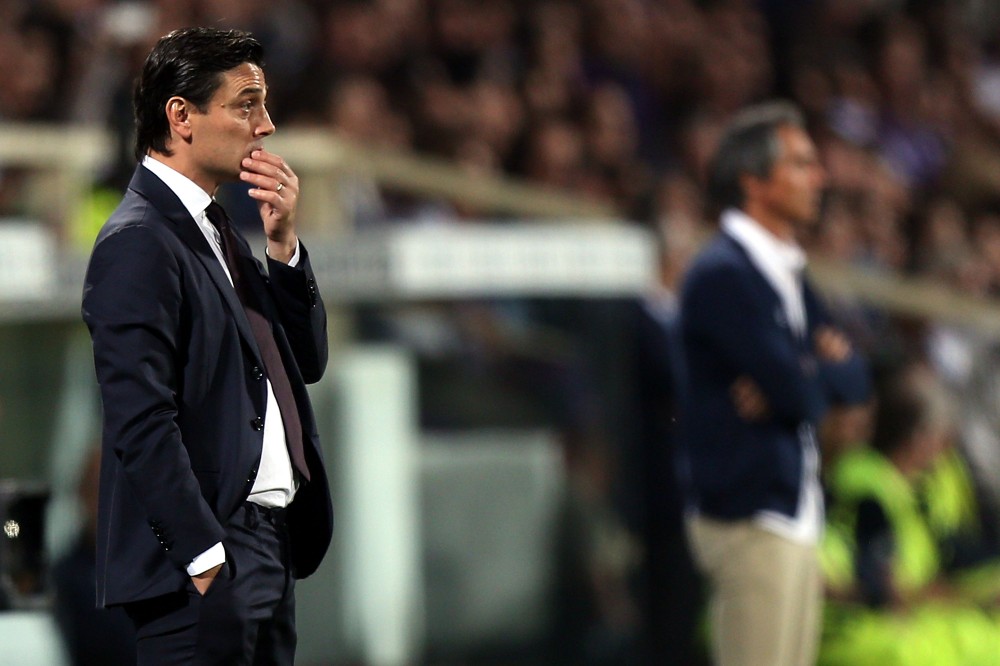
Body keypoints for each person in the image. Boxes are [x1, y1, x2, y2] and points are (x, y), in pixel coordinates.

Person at [81, 27, 333, 665]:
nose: (266, 125)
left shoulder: (219, 231)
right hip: (207, 560)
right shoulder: (138, 240)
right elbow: (140, 419)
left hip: (268, 550)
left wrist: (283, 248)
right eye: (246, 104)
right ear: (181, 116)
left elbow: (306, 363)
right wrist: (204, 555)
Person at [677, 101, 871, 666]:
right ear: (754, 181)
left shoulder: (787, 270)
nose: (821, 178)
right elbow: (802, 395)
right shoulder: (723, 275)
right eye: (802, 164)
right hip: (749, 517)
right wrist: (809, 375)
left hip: (792, 513)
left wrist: (810, 373)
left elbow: (854, 380)